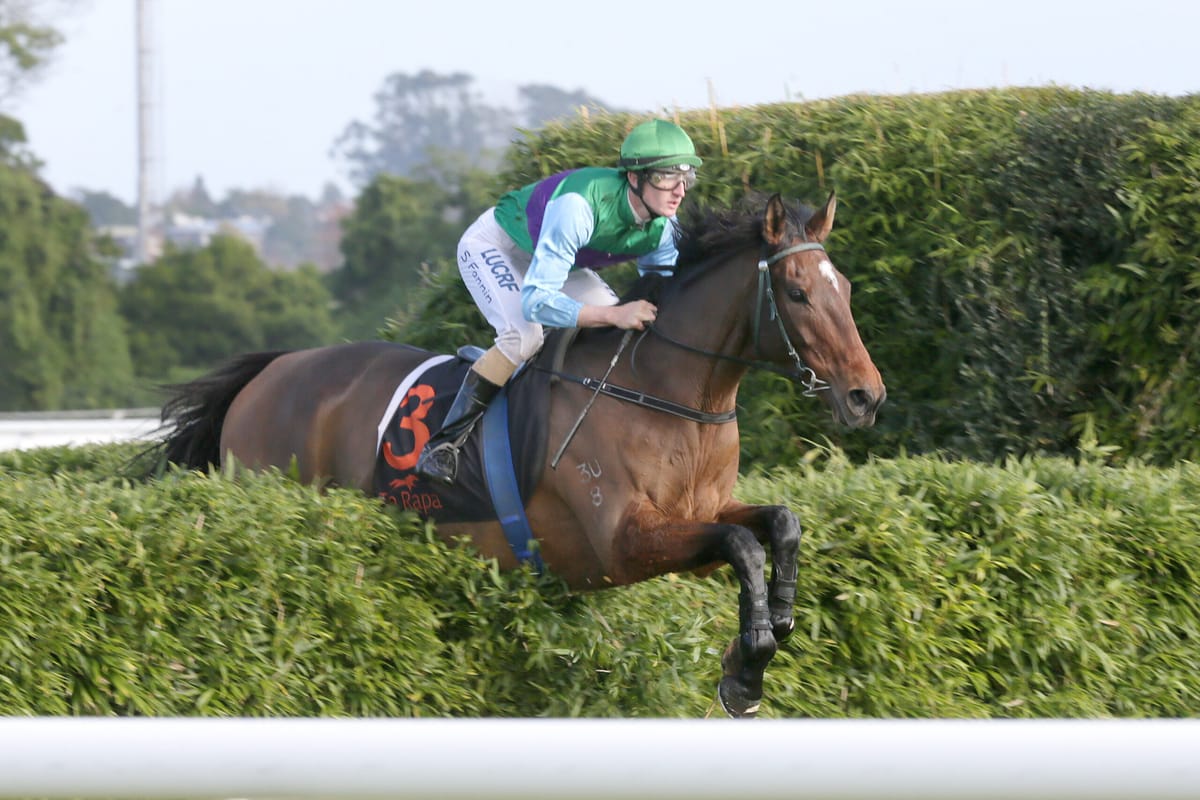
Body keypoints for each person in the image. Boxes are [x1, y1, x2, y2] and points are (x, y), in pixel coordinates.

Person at [415, 118, 703, 485]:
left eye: (686, 177)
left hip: (558, 261)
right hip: (499, 246)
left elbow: (660, 286)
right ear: (635, 177)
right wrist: (613, 313)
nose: (679, 190)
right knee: (524, 337)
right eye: (667, 177)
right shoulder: (578, 207)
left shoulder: (663, 227)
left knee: (618, 331)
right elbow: (536, 302)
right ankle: (443, 446)